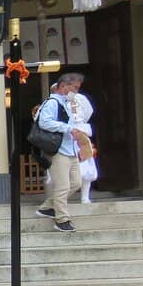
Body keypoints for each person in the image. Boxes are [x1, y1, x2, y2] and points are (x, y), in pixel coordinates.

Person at [35, 73, 92, 232]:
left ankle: (48, 207)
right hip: (58, 150)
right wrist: (68, 128)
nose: (76, 91)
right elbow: (44, 122)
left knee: (76, 182)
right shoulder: (52, 103)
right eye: (75, 87)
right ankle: (62, 219)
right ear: (63, 86)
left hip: (70, 149)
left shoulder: (66, 103)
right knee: (63, 186)